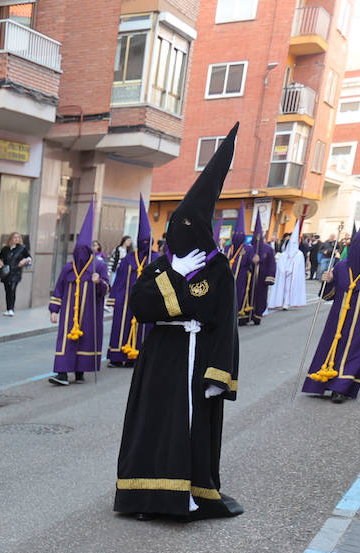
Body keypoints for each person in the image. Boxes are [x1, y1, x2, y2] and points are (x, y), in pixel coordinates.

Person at [114, 124, 243, 521]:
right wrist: (173, 275)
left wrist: (219, 376)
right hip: (160, 359)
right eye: (175, 227)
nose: (178, 234)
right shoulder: (161, 266)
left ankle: (186, 496)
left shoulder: (219, 269)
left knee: (188, 428)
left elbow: (226, 326)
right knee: (153, 425)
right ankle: (145, 496)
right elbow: (140, 306)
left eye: (187, 227)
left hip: (196, 357)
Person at [303, 184, 360, 403]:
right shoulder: (342, 266)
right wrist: (328, 282)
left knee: (356, 351)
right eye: (359, 243)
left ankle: (341, 388)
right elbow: (329, 295)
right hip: (338, 318)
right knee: (331, 347)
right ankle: (323, 382)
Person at [48, 201, 108, 385]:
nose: (80, 254)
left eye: (84, 251)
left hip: (89, 313)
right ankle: (62, 374)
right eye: (78, 251)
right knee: (65, 340)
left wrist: (99, 282)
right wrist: (54, 310)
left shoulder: (98, 266)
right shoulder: (68, 268)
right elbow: (59, 289)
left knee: (86, 339)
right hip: (69, 314)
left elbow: (106, 289)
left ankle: (80, 371)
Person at [107, 200, 150, 368]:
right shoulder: (128, 259)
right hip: (125, 301)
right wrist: (113, 299)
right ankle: (117, 357)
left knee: (142, 329)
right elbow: (118, 279)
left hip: (145, 303)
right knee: (121, 326)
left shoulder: (155, 259)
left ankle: (136, 358)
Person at [243, 212, 277, 325]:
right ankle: (245, 315)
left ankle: (257, 315)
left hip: (262, 279)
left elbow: (272, 264)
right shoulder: (249, 248)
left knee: (260, 297)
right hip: (249, 278)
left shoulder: (268, 249)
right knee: (247, 296)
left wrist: (269, 278)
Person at [270, 217, 307, 310]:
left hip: (293, 275)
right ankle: (280, 302)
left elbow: (299, 266)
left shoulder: (299, 254)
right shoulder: (284, 254)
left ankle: (287, 303)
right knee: (281, 288)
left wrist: (291, 270)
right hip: (284, 274)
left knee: (289, 289)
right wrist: (284, 270)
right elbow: (280, 264)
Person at [0, 231, 31, 316]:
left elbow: (29, 258)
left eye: (18, 237)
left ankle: (11, 309)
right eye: (15, 237)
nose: (16, 239)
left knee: (12, 289)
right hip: (6, 272)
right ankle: (8, 309)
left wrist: (24, 260)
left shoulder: (22, 248)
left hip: (16, 272)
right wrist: (0, 262)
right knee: (7, 290)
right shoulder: (5, 249)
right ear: (11, 238)